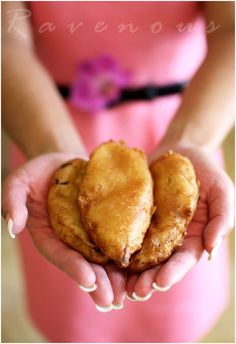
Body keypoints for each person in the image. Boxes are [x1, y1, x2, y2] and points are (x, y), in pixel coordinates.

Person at [2, 1, 234, 343]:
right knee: (73, 313)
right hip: (46, 125)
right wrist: (51, 145)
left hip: (186, 124)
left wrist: (191, 140)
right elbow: (6, 38)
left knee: (175, 313)